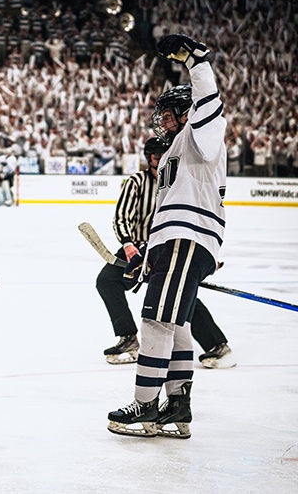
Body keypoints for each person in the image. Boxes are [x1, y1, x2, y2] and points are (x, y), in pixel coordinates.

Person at [107, 34, 227, 439]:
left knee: (155, 321)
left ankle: (145, 406)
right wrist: (148, 254)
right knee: (176, 326)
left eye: (170, 113)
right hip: (176, 240)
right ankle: (177, 410)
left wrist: (197, 61)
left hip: (186, 237)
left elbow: (209, 103)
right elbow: (167, 209)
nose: (163, 121)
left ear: (186, 112)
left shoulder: (200, 133)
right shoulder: (178, 149)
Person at [97, 136, 234, 369]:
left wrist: (205, 251)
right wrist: (129, 245)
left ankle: (216, 345)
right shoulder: (137, 182)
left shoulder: (180, 183)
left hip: (170, 247)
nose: (159, 159)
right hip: (138, 248)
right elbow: (122, 217)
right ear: (149, 158)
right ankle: (129, 338)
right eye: (155, 155)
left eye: (163, 154)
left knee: (180, 292)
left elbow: (195, 218)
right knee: (107, 280)